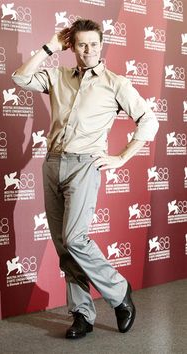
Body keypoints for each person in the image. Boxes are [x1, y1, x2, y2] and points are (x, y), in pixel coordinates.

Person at [12, 19, 159, 339]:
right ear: (72, 47)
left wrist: (122, 157)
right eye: (81, 44)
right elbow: (21, 78)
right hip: (52, 164)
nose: (88, 50)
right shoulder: (58, 76)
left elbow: (148, 121)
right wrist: (50, 47)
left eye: (94, 44)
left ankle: (120, 293)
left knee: (75, 238)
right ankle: (82, 314)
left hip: (84, 166)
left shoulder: (115, 83)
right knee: (65, 247)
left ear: (101, 44)